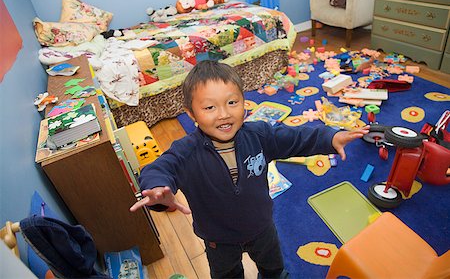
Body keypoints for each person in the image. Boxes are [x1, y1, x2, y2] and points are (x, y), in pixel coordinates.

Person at [130, 60, 369, 278]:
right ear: (191, 113)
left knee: (273, 269)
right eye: (210, 108)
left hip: (262, 227)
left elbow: (295, 137)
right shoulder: (186, 151)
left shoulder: (259, 135)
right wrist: (157, 188)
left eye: (232, 103)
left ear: (244, 102)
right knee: (227, 274)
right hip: (218, 240)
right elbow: (160, 167)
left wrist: (329, 138)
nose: (224, 114)